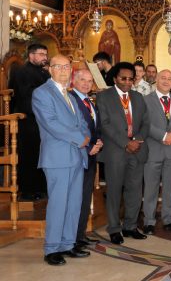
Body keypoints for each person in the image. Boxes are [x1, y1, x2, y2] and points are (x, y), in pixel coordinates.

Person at [33, 55, 92, 265]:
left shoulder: (69, 94)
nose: (64, 70)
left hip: (77, 156)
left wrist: (86, 139)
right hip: (58, 157)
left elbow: (82, 122)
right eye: (59, 67)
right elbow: (51, 124)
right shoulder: (42, 93)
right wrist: (80, 139)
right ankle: (52, 248)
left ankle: (67, 244)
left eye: (67, 67)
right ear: (51, 69)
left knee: (74, 203)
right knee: (58, 203)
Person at [96, 62, 150, 245]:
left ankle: (130, 226)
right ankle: (114, 229)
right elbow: (105, 124)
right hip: (115, 151)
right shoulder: (104, 97)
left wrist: (137, 140)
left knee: (135, 191)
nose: (127, 82)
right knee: (114, 191)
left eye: (130, 79)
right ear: (114, 79)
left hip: (137, 150)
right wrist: (126, 143)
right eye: (123, 78)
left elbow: (145, 123)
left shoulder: (138, 97)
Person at [142, 70, 171, 235]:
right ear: (156, 79)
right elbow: (144, 124)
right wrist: (162, 136)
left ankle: (169, 219)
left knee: (170, 188)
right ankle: (148, 221)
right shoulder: (146, 100)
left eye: (170, 79)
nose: (166, 81)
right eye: (163, 78)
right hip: (153, 150)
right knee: (151, 188)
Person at [8, 43, 50, 200]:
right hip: (27, 119)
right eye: (41, 54)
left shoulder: (44, 73)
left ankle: (41, 188)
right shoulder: (22, 72)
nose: (44, 58)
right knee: (29, 156)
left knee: (42, 154)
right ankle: (27, 191)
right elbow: (26, 97)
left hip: (41, 120)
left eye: (46, 55)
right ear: (31, 55)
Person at [68, 69, 103, 249]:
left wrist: (99, 142)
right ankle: (72, 238)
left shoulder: (89, 101)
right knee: (75, 199)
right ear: (74, 81)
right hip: (78, 155)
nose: (87, 84)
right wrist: (89, 147)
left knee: (84, 197)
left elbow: (95, 127)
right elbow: (73, 129)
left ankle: (80, 235)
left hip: (91, 156)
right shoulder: (71, 100)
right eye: (83, 80)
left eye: (90, 81)